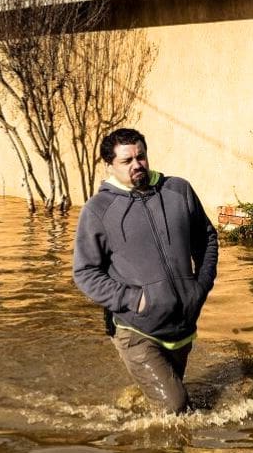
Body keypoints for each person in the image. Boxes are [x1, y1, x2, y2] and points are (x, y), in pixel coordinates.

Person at [72, 128, 218, 414]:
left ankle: (138, 408)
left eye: (141, 156)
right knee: (175, 405)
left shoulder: (178, 190)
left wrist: (200, 286)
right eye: (127, 161)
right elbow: (85, 272)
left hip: (182, 325)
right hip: (135, 327)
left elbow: (207, 238)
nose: (137, 164)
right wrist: (135, 300)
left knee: (171, 397)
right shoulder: (98, 209)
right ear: (110, 165)